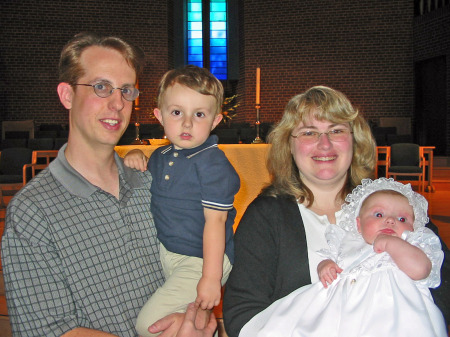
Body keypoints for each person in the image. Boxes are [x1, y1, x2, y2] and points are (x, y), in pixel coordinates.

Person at [1, 32, 216, 337]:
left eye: (126, 90)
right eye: (101, 87)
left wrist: (199, 319)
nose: (117, 103)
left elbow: (192, 266)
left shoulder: (152, 182)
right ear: (67, 95)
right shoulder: (33, 211)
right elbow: (49, 331)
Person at [222, 85, 450, 337]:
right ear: (288, 145)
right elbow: (242, 313)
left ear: (355, 140)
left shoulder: (391, 203)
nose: (325, 144)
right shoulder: (266, 215)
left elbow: (443, 283)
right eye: (309, 132)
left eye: (337, 130)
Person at [239, 178, 446, 337]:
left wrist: (395, 245)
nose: (390, 221)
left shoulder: (414, 243)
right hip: (344, 312)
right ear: (358, 224)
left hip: (397, 317)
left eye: (402, 218)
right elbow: (332, 259)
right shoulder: (348, 241)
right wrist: (326, 265)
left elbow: (421, 270)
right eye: (378, 215)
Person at [123, 65, 240, 336]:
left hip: (202, 259)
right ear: (159, 116)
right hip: (168, 253)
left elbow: (217, 221)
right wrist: (135, 152)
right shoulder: (161, 156)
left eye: (199, 114)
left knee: (147, 327)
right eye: (177, 112)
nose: (187, 123)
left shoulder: (213, 163)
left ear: (215, 121)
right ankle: (195, 321)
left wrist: (210, 278)